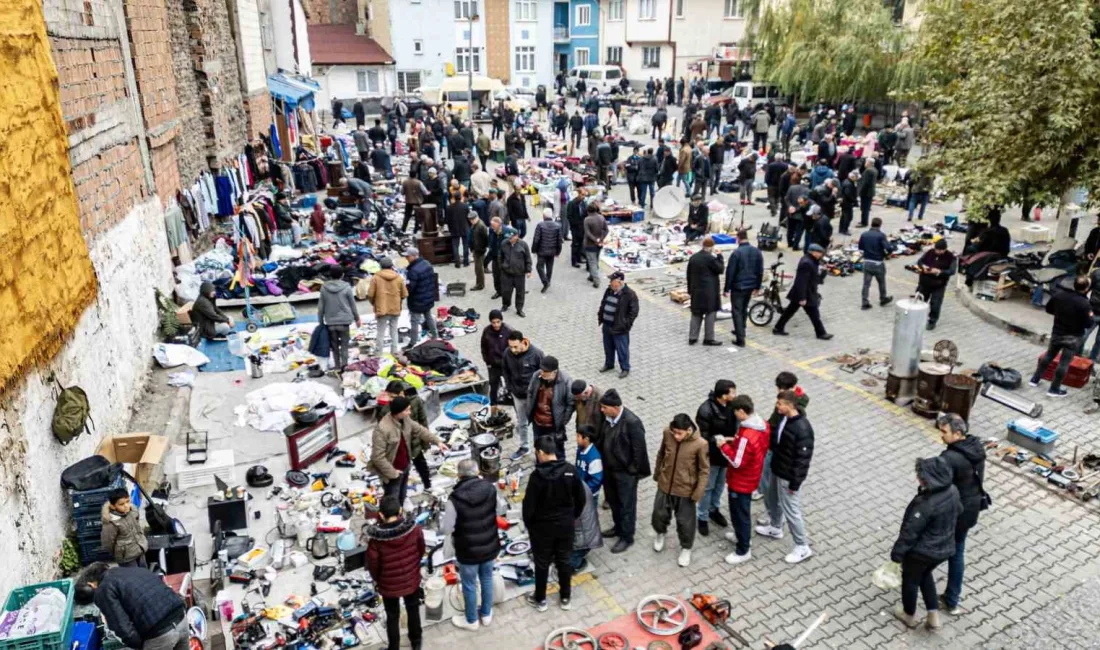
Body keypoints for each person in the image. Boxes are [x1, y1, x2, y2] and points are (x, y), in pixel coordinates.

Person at [891, 457, 961, 631]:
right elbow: (959, 510)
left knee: (910, 580)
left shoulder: (926, 504)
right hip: (944, 547)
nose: (918, 478)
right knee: (925, 574)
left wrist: (897, 554)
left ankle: (908, 615)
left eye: (920, 475)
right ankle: (933, 616)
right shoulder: (952, 490)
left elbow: (910, 533)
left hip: (922, 551)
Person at [523, 437, 586, 614]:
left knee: (542, 563)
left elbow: (529, 507)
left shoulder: (537, 477)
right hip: (565, 525)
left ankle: (540, 599)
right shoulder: (570, 471)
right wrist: (572, 516)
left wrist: (530, 526)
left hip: (542, 528)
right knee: (563, 560)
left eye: (537, 453)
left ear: (541, 453)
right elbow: (581, 499)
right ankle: (565, 597)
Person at [756, 390, 815, 564]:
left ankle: (802, 546)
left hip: (788, 476)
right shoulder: (783, 419)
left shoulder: (802, 428)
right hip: (777, 468)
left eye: (780, 403)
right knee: (772, 498)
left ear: (790, 405)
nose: (777, 406)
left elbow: (803, 460)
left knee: (791, 510)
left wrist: (795, 483)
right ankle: (775, 527)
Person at [935, 413, 985, 616]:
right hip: (971, 509)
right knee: (957, 552)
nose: (941, 436)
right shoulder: (975, 446)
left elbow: (938, 485)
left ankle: (915, 578)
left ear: (958, 433)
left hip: (954, 512)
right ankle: (952, 599)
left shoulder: (950, 458)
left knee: (932, 548)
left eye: (944, 432)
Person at [76, 562, 187, 650]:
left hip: (160, 634)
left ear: (91, 584)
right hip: (181, 618)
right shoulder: (135, 570)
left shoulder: (103, 588)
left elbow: (122, 627)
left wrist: (140, 645)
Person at [443, 460, 500, 632]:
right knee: (487, 579)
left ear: (459, 475)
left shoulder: (454, 499)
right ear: (477, 473)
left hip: (467, 550)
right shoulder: (490, 488)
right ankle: (486, 614)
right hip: (490, 545)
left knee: (469, 584)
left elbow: (447, 527)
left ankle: (472, 620)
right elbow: (496, 509)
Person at [364, 497, 426, 650]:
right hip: (411, 578)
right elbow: (421, 550)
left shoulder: (376, 540)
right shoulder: (415, 529)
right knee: (413, 609)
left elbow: (373, 565)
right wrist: (413, 567)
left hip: (388, 584)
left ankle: (394, 647)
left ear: (381, 515)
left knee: (392, 616)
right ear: (400, 511)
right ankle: (416, 643)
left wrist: (378, 580)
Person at [650, 413, 709, 568]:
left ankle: (686, 548)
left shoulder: (700, 444)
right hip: (665, 485)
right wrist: (657, 473)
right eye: (674, 432)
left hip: (686, 490)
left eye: (679, 433)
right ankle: (660, 533)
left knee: (685, 522)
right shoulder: (667, 433)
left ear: (688, 430)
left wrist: (698, 492)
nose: (676, 436)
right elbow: (661, 454)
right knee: (659, 514)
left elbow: (704, 470)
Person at [596, 389, 651, 553]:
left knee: (626, 504)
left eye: (604, 407)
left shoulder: (632, 422)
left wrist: (631, 471)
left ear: (615, 407)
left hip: (625, 473)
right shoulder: (608, 419)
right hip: (609, 469)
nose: (602, 410)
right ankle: (618, 527)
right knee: (613, 500)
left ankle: (627, 537)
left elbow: (639, 450)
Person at [717, 395, 770, 565]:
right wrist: (734, 440)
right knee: (741, 512)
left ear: (741, 411)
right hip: (752, 477)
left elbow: (736, 461)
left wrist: (722, 446)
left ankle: (743, 549)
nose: (734, 415)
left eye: (735, 412)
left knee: (740, 514)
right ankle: (741, 536)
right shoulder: (761, 425)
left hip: (741, 481)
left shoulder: (747, 435)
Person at [369, 397, 446, 503]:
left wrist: (438, 442)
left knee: (402, 494)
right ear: (398, 412)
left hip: (405, 466)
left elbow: (420, 430)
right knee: (392, 500)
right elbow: (377, 457)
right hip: (392, 473)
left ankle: (401, 508)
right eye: (407, 410)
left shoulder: (405, 420)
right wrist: (393, 473)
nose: (409, 413)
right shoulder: (382, 430)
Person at [1029, 275, 1094, 397]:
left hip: (1057, 332)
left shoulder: (1059, 295)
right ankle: (1054, 389)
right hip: (1073, 337)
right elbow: (1088, 323)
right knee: (1064, 363)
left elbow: (1049, 309)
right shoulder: (1085, 304)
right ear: (1086, 289)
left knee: (1049, 355)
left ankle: (1035, 379)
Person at [695, 380, 736, 536]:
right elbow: (704, 437)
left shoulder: (732, 405)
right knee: (708, 487)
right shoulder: (705, 410)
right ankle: (702, 517)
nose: (735, 395)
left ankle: (714, 509)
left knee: (719, 485)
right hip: (711, 455)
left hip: (727, 453)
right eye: (732, 392)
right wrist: (722, 440)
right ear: (723, 395)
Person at [773, 245, 832, 340]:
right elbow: (801, 281)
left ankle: (778, 328)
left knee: (790, 311)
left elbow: (815, 278)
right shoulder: (806, 263)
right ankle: (821, 333)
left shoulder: (811, 261)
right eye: (820, 253)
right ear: (813, 252)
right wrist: (802, 298)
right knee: (813, 314)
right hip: (805, 293)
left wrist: (823, 272)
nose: (821, 255)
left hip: (806, 292)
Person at [503, 330, 544, 459]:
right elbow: (505, 371)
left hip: (534, 397)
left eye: (515, 346)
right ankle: (524, 447)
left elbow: (545, 375)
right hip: (517, 396)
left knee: (538, 424)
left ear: (523, 342)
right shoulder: (507, 353)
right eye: (510, 346)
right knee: (522, 423)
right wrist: (510, 388)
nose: (513, 350)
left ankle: (541, 450)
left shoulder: (537, 354)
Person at [527, 355, 575, 460]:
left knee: (558, 451)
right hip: (538, 422)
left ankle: (559, 471)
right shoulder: (537, 375)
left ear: (554, 372)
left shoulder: (566, 381)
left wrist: (562, 421)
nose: (542, 373)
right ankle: (541, 469)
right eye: (541, 370)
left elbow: (571, 403)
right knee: (539, 448)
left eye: (546, 372)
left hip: (554, 425)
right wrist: (529, 410)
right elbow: (530, 392)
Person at [571, 424, 604, 572]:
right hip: (578, 495)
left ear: (586, 439)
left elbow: (596, 482)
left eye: (578, 436)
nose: (576, 439)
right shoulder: (581, 450)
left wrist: (581, 493)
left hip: (588, 498)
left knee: (585, 526)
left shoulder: (594, 458)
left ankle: (579, 556)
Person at [724, 229, 764, 347]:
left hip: (739, 287)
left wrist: (726, 289)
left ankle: (740, 339)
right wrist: (757, 286)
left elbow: (730, 272)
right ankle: (741, 329)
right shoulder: (757, 252)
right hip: (750, 286)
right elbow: (760, 270)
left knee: (736, 311)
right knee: (744, 308)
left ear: (738, 238)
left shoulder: (737, 253)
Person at [318, 266, 361, 372]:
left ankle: (337, 366)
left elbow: (320, 307)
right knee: (345, 345)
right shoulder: (346, 287)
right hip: (344, 321)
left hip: (331, 322)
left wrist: (320, 322)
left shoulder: (324, 288)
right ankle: (345, 366)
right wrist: (357, 318)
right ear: (342, 275)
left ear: (330, 275)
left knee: (334, 345)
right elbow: (352, 305)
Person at [597, 272, 639, 379]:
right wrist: (601, 314)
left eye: (612, 281)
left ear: (619, 282)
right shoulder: (609, 290)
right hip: (607, 325)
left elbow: (634, 312)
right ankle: (609, 364)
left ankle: (625, 368)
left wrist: (626, 324)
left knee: (622, 349)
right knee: (608, 347)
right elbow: (603, 303)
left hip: (620, 328)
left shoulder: (630, 294)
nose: (610, 283)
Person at [686, 236, 725, 346]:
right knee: (710, 314)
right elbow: (720, 269)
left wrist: (690, 289)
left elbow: (688, 275)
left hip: (696, 291)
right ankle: (708, 338)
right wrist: (720, 256)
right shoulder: (711, 259)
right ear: (711, 247)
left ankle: (692, 337)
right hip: (709, 292)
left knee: (696, 313)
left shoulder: (693, 258)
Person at [367, 257, 407, 355]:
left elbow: (370, 294)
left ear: (380, 266)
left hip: (382, 308)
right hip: (395, 308)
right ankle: (394, 352)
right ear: (391, 266)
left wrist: (374, 303)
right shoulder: (398, 277)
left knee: (380, 332)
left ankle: (378, 353)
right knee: (394, 331)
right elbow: (404, 294)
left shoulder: (375, 278)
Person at [100, 489, 147, 568]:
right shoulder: (111, 522)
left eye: (128, 501)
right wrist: (120, 552)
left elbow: (137, 526)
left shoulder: (132, 511)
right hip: (127, 558)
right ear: (113, 506)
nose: (126, 506)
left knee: (144, 573)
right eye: (121, 504)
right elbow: (108, 543)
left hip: (139, 550)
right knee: (132, 578)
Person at [916, 240, 957, 330]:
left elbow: (952, 271)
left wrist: (939, 271)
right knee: (920, 301)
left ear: (944, 249)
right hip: (925, 282)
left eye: (939, 250)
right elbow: (919, 261)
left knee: (935, 304)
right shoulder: (930, 252)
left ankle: (932, 321)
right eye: (936, 250)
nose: (937, 252)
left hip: (939, 284)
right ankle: (917, 317)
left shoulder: (951, 257)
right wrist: (923, 267)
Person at [857, 217, 895, 310]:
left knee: (866, 284)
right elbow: (888, 248)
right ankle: (883, 298)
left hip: (867, 262)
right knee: (881, 282)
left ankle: (864, 302)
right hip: (878, 263)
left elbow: (860, 247)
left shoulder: (864, 234)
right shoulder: (881, 235)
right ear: (880, 225)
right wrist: (887, 254)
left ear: (871, 224)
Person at [403, 249, 439, 345]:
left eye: (408, 256)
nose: (406, 258)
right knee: (428, 316)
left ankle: (413, 342)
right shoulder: (427, 263)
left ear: (414, 256)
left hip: (417, 300)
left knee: (414, 321)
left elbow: (410, 288)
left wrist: (404, 286)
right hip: (427, 297)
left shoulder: (413, 271)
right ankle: (436, 336)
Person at [480, 310, 513, 405]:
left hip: (506, 365)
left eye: (498, 322)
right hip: (493, 366)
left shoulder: (508, 330)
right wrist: (487, 362)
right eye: (493, 322)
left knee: (510, 384)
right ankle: (493, 405)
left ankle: (510, 399)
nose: (496, 325)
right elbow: (483, 347)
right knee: (493, 387)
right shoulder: (486, 331)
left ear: (501, 320)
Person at [499, 226, 532, 317]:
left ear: (516, 236)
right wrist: (502, 267)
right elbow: (500, 256)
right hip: (507, 273)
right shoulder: (504, 243)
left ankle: (519, 309)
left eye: (511, 237)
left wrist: (529, 270)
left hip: (519, 274)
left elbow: (528, 258)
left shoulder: (523, 245)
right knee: (506, 291)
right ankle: (505, 304)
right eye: (508, 237)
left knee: (520, 292)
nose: (509, 239)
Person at [532, 207, 564, 292]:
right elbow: (559, 241)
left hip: (541, 251)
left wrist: (534, 250)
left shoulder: (540, 225)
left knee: (539, 267)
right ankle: (548, 281)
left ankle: (545, 282)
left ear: (543, 216)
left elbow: (536, 239)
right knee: (549, 267)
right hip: (552, 251)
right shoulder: (557, 226)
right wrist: (558, 252)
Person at [583, 204, 609, 288]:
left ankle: (596, 280)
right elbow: (606, 230)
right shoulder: (601, 217)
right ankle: (591, 276)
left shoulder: (587, 220)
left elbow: (588, 233)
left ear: (588, 211)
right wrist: (601, 239)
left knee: (592, 262)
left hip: (590, 244)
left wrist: (595, 240)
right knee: (596, 259)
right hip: (599, 244)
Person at [566, 188, 588, 268]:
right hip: (575, 228)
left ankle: (579, 258)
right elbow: (569, 216)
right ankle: (574, 261)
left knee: (581, 243)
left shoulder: (583, 203)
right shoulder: (572, 204)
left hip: (582, 227)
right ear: (578, 194)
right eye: (582, 195)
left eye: (584, 195)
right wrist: (575, 224)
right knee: (575, 244)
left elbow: (585, 213)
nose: (583, 197)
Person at [857, 158, 878, 228]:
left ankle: (864, 222)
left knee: (864, 208)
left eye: (866, 162)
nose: (865, 163)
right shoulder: (875, 170)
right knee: (866, 207)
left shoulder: (868, 171)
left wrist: (859, 192)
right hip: (870, 192)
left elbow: (865, 183)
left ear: (868, 163)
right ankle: (864, 220)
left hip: (866, 193)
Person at [839, 171, 859, 235]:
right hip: (847, 203)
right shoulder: (849, 184)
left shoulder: (846, 181)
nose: (857, 179)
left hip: (844, 202)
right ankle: (845, 230)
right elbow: (848, 194)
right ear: (852, 177)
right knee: (848, 217)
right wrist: (854, 200)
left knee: (843, 216)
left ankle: (841, 229)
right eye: (856, 177)